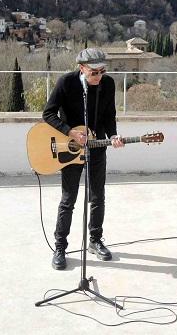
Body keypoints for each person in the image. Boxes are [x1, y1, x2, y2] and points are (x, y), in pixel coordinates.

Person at [43, 48, 124, 270]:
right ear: (82, 68)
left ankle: (95, 241)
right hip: (70, 149)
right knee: (68, 200)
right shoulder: (66, 82)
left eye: (102, 71)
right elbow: (48, 114)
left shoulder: (107, 84)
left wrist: (113, 135)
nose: (99, 77)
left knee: (98, 197)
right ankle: (60, 247)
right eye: (94, 72)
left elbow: (110, 115)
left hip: (97, 148)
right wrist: (70, 132)